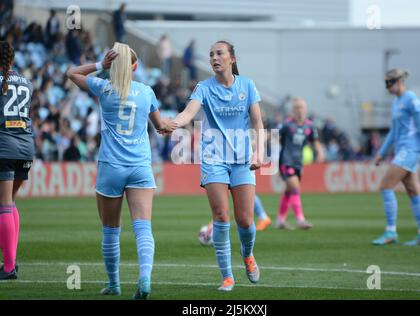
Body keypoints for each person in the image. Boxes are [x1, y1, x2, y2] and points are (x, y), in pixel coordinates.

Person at [67, 42, 168, 299]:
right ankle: (144, 278)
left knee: (111, 229)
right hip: (140, 166)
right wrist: (174, 124)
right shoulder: (146, 92)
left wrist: (100, 65)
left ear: (113, 65)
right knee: (143, 227)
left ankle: (114, 284)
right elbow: (160, 127)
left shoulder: (104, 88)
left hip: (111, 165)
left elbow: (72, 73)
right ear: (135, 67)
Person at [165, 41, 265, 292]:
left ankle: (248, 255)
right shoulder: (204, 88)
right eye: (211, 55)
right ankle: (227, 276)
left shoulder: (248, 85)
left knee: (245, 221)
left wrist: (259, 152)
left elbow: (258, 123)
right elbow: (188, 113)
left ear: (232, 58)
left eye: (219, 53)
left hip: (242, 160)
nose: (214, 58)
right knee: (221, 216)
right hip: (213, 159)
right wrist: (173, 123)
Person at [372, 69, 420, 246]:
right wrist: (382, 152)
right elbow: (393, 131)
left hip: (411, 150)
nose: (387, 86)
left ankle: (390, 232)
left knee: (386, 187)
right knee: (413, 191)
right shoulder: (396, 102)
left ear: (400, 81)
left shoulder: (411, 100)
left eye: (389, 82)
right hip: (403, 149)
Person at [0, 41, 34, 280]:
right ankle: (10, 261)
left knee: (3, 205)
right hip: (26, 146)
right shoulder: (27, 82)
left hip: (4, 145)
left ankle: (9, 267)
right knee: (9, 203)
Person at [276, 97, 325, 230]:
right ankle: (300, 220)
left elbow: (315, 142)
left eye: (302, 107)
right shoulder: (287, 125)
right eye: (297, 107)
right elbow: (274, 136)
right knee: (295, 188)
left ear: (306, 109)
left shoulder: (309, 126)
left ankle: (280, 220)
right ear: (292, 110)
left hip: (298, 162)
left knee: (288, 191)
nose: (300, 110)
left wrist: (320, 152)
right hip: (286, 161)